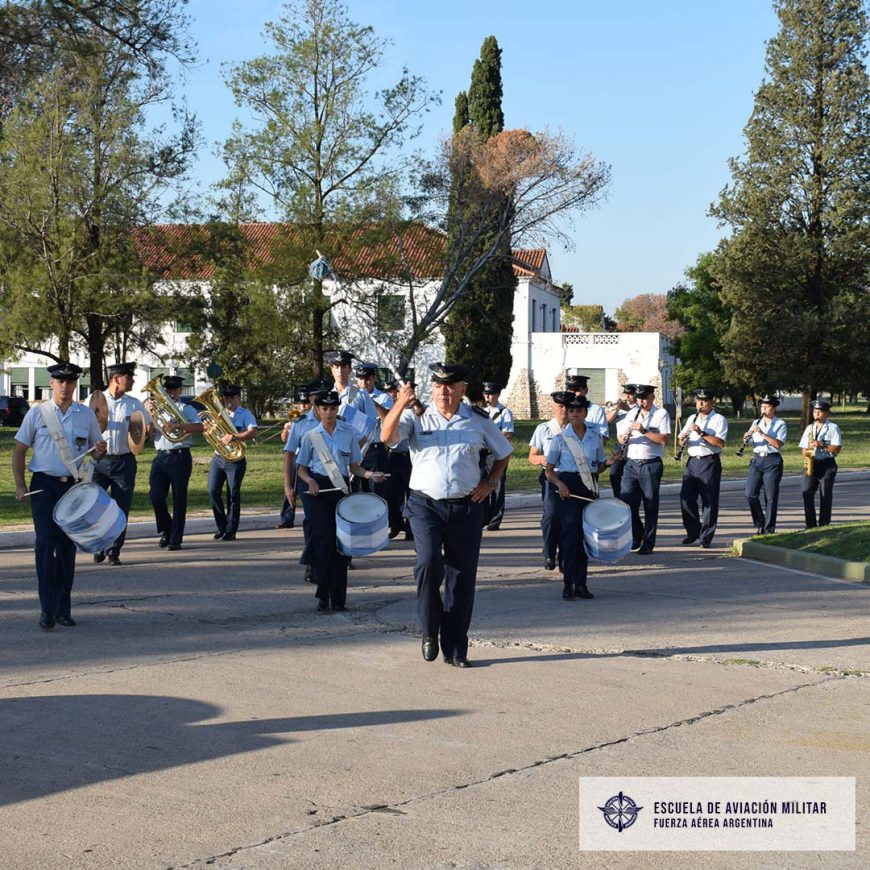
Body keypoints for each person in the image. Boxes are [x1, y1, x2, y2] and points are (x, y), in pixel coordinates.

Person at [381, 363, 512, 668]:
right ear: (431, 388)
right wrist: (401, 401)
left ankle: (456, 647)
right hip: (425, 504)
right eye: (438, 386)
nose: (444, 391)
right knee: (427, 563)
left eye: (451, 386)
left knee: (461, 579)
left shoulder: (477, 421)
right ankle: (430, 631)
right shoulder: (416, 416)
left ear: (462, 390)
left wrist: (490, 482)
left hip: (466, 506)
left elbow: (503, 452)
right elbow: (387, 437)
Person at [12, 362, 108, 629]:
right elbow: (19, 449)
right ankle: (46, 609)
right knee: (45, 544)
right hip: (44, 486)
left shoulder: (85, 415)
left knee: (67, 548)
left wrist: (100, 449)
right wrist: (20, 485)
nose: (65, 386)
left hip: (72, 488)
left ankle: (63, 609)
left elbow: (96, 452)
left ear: (75, 384)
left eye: (70, 382)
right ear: (51, 383)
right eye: (60, 381)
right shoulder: (37, 414)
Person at [295, 391, 386, 612]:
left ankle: (338, 598)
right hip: (318, 491)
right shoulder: (310, 435)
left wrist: (369, 475)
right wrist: (310, 482)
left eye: (333, 408)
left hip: (341, 488)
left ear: (337, 409)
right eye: (324, 409)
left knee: (342, 546)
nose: (329, 413)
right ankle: (324, 595)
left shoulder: (348, 433)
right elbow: (301, 468)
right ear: (317, 410)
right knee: (325, 541)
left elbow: (354, 466)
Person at [544, 395, 605, 600]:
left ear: (585, 413)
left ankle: (582, 584)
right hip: (568, 491)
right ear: (567, 414)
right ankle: (567, 584)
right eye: (571, 411)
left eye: (579, 411)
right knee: (570, 538)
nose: (575, 415)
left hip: (587, 490)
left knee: (584, 538)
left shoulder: (594, 438)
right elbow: (549, 471)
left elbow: (598, 466)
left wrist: (611, 461)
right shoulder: (560, 439)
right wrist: (560, 484)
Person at [92, 362, 152, 565]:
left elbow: (145, 431)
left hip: (124, 462)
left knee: (120, 509)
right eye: (129, 377)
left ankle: (113, 550)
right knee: (97, 506)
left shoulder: (134, 404)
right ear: (117, 378)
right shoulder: (94, 400)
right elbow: (83, 428)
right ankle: (99, 545)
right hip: (99, 462)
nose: (133, 380)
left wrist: (147, 431)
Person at [147, 375, 204, 551]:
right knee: (155, 496)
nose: (171, 393)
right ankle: (167, 528)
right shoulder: (158, 409)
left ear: (180, 390)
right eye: (168, 390)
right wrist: (148, 415)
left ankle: (175, 538)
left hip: (180, 456)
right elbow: (147, 435)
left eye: (175, 389)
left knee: (179, 498)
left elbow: (200, 427)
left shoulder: (185, 409)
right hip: (161, 456)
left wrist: (178, 426)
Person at [616, 384, 671, 555]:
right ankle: (636, 535)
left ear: (652, 397)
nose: (642, 401)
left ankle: (648, 542)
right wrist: (623, 436)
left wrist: (644, 430)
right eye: (639, 398)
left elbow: (663, 439)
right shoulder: (632, 413)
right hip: (631, 464)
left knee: (650, 504)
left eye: (645, 398)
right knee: (626, 503)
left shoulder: (661, 414)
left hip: (650, 464)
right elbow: (619, 435)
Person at [677, 388, 728, 549]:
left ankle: (706, 537)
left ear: (712, 402)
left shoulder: (719, 419)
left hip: (709, 461)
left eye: (704, 401)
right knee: (686, 498)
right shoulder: (692, 417)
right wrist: (682, 439)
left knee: (709, 501)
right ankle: (693, 531)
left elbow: (720, 443)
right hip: (692, 461)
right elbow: (680, 439)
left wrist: (701, 433)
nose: (701, 404)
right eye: (698, 400)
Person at [207, 384, 258, 541]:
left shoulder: (245, 414)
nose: (229, 400)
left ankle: (231, 529)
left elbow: (253, 432)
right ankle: (222, 526)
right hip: (218, 458)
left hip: (236, 460)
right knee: (212, 491)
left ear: (238, 398)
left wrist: (235, 436)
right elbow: (211, 432)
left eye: (232, 397)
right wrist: (208, 428)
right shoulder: (218, 414)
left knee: (233, 495)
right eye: (227, 398)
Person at [283, 385, 323, 582]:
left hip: (333, 478)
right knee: (312, 521)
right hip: (306, 477)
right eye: (315, 399)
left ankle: (331, 559)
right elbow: (289, 453)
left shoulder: (338, 422)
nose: (318, 403)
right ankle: (312, 564)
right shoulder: (300, 423)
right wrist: (287, 485)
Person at [528, 392, 570, 570]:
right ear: (553, 408)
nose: (564, 410)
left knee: (570, 519)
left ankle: (565, 556)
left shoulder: (579, 429)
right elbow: (532, 457)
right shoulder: (543, 429)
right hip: (550, 476)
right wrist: (544, 459)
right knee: (551, 516)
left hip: (572, 477)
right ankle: (549, 553)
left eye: (567, 406)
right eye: (560, 406)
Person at [743, 394, 787, 535]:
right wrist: (746, 438)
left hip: (772, 460)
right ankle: (760, 522)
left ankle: (768, 529)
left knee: (770, 497)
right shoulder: (756, 422)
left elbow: (778, 444)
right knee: (750, 494)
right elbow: (750, 441)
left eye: (767, 406)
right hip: (757, 460)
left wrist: (762, 434)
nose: (764, 409)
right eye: (762, 406)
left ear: (773, 408)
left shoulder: (780, 424)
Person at [385, 380, 419, 541]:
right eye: (403, 392)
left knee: (411, 495)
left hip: (410, 458)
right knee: (391, 495)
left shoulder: (417, 413)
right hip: (394, 457)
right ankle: (396, 524)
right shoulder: (395, 412)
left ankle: (412, 528)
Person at [800, 398, 842, 528]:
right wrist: (808, 458)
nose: (816, 414)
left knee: (825, 494)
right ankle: (810, 524)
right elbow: (804, 448)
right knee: (806, 492)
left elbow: (836, 449)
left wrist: (821, 444)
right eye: (815, 411)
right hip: (812, 463)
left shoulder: (833, 428)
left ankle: (824, 523)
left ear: (826, 413)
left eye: (820, 412)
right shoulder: (809, 428)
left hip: (827, 464)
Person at [276, 389, 314, 529]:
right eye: (301, 403)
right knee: (290, 487)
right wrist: (287, 429)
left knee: (306, 488)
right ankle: (287, 518)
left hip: (307, 458)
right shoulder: (295, 419)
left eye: (306, 403)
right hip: (295, 457)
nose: (303, 406)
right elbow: (284, 440)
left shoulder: (309, 419)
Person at [353, 361, 391, 494]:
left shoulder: (383, 397)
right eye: (361, 379)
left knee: (375, 492)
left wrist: (369, 400)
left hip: (374, 448)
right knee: (351, 490)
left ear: (374, 378)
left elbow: (387, 418)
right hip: (356, 447)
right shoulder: (352, 396)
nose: (364, 383)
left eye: (367, 379)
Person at [481, 381, 514, 531]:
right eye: (486, 394)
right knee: (480, 483)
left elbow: (507, 433)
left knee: (497, 486)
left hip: (497, 454)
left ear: (497, 395)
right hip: (482, 453)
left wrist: (491, 438)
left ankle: (495, 520)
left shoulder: (505, 412)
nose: (488, 397)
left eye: (491, 394)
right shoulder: (481, 412)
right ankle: (483, 518)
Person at [604, 384, 637, 499]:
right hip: (620, 445)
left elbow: (637, 414)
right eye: (626, 394)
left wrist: (626, 409)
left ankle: (630, 500)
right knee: (614, 473)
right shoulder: (621, 408)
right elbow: (607, 420)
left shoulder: (639, 408)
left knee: (631, 476)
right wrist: (617, 409)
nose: (628, 397)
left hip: (634, 445)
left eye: (631, 394)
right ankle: (618, 498)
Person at [565, 372, 608, 444]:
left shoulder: (596, 410)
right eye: (571, 391)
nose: (574, 394)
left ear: (586, 390)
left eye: (576, 390)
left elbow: (603, 439)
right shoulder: (564, 409)